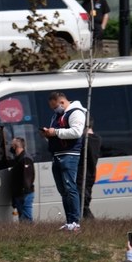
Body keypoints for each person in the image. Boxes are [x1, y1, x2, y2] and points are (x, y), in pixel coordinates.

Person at [41, 91, 86, 231]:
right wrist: (48, 134)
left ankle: (75, 222)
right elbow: (57, 133)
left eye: (55, 107)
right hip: (57, 154)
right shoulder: (58, 115)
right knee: (63, 190)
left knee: (70, 187)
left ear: (61, 102)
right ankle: (69, 222)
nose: (54, 110)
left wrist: (55, 132)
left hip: (69, 155)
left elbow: (77, 132)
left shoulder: (76, 112)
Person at [6, 137, 35, 223]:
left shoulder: (25, 159)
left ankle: (29, 234)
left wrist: (24, 191)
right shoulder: (18, 159)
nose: (11, 148)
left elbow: (27, 178)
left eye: (12, 146)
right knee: (22, 219)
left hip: (24, 194)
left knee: (26, 219)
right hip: (19, 193)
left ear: (15, 146)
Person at [81, 126, 102, 220]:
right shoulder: (97, 139)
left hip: (83, 175)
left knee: (83, 205)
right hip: (90, 175)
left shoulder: (86, 141)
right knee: (84, 203)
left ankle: (90, 225)